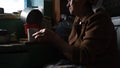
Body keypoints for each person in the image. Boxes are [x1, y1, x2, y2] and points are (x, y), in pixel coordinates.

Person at [32, 0, 119, 68]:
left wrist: (55, 38)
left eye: (70, 0)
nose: (67, 4)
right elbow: (73, 47)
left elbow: (84, 57)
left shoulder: (99, 20)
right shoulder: (78, 19)